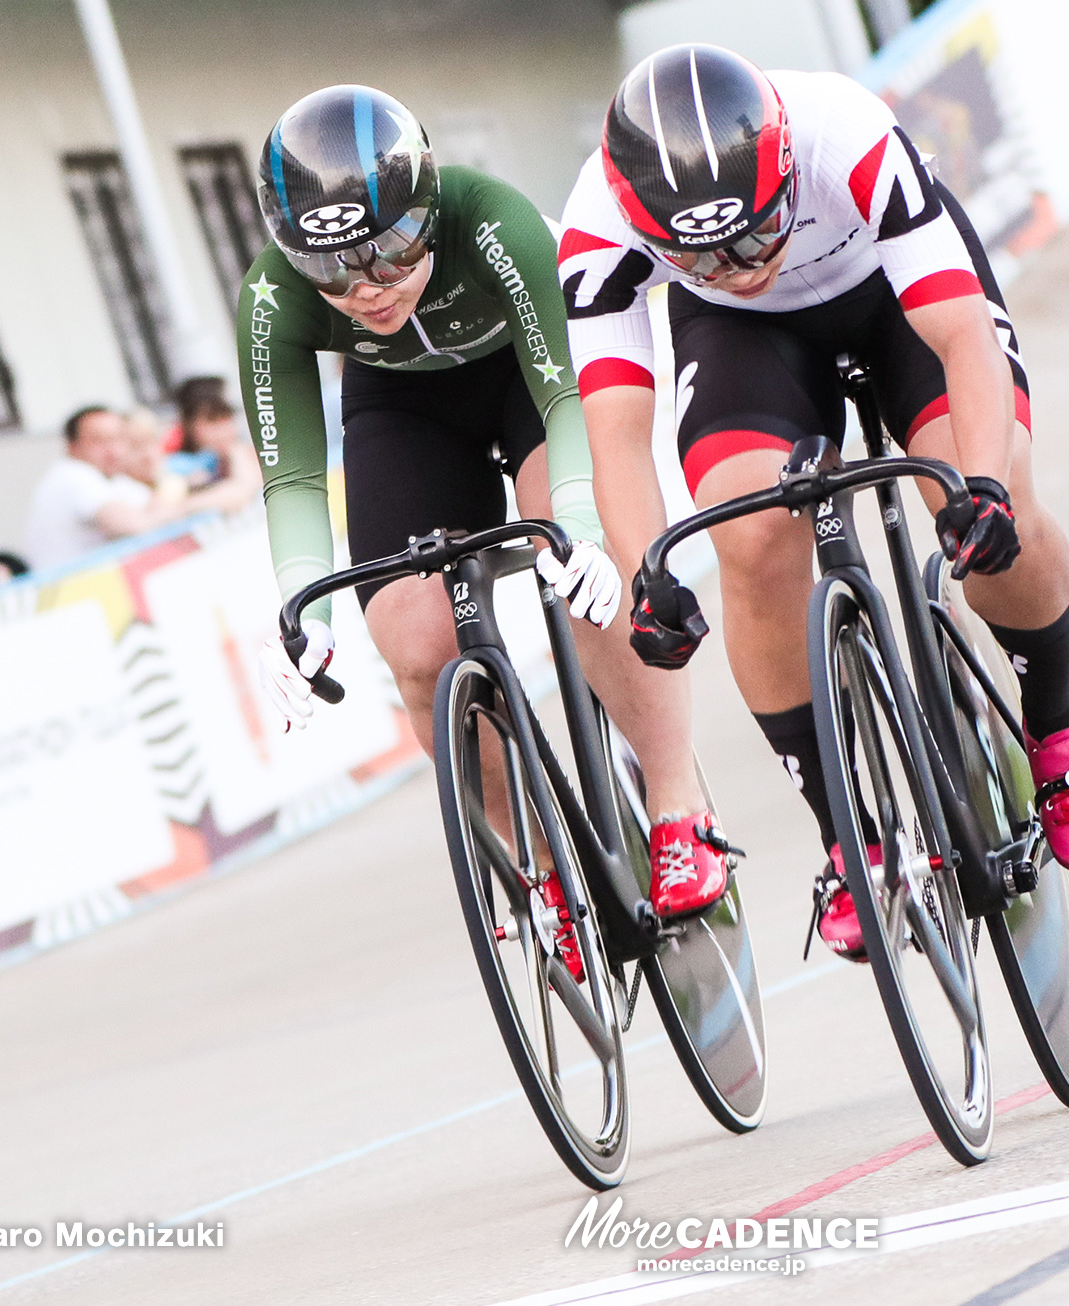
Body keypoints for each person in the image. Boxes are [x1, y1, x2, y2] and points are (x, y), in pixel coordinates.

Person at [558, 45, 1069, 961]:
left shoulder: (845, 132)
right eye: (700, 253)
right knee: (749, 541)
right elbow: (618, 439)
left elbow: (959, 335)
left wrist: (981, 486)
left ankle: (1057, 716)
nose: (739, 262)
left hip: (891, 296)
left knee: (997, 503)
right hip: (747, 344)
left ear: (784, 167)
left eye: (754, 233)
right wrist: (645, 576)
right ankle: (847, 832)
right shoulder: (599, 227)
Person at [242, 84, 729, 935]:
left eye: (391, 252)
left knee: (584, 573)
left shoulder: (493, 220)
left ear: (426, 212)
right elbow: (290, 477)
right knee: (417, 645)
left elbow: (568, 399)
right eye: (332, 270)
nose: (368, 291)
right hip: (402, 410)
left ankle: (675, 801)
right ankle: (535, 866)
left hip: (531, 379)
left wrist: (576, 525)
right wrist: (303, 601)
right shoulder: (271, 298)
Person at [24, 405, 252, 570]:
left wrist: (182, 504)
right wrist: (185, 507)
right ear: (73, 447)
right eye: (99, 441)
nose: (113, 450)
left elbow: (162, 507)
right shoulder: (74, 475)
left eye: (117, 439)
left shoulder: (111, 480)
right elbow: (134, 525)